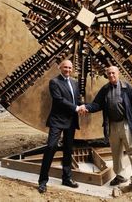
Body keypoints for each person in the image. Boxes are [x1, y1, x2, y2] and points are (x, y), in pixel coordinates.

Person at [79, 65, 132, 192]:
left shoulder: (126, 88)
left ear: (118, 73)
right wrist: (86, 107)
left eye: (113, 73)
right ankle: (120, 176)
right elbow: (97, 104)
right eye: (109, 74)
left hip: (126, 124)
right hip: (112, 125)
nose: (111, 76)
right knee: (116, 152)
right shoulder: (105, 89)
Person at [38, 59, 83, 194]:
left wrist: (83, 106)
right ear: (60, 68)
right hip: (57, 121)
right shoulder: (54, 82)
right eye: (65, 67)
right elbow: (59, 100)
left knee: (68, 150)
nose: (68, 70)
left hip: (71, 121)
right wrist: (76, 108)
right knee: (51, 147)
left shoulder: (74, 83)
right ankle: (43, 181)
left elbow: (77, 100)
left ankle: (67, 178)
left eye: (70, 68)